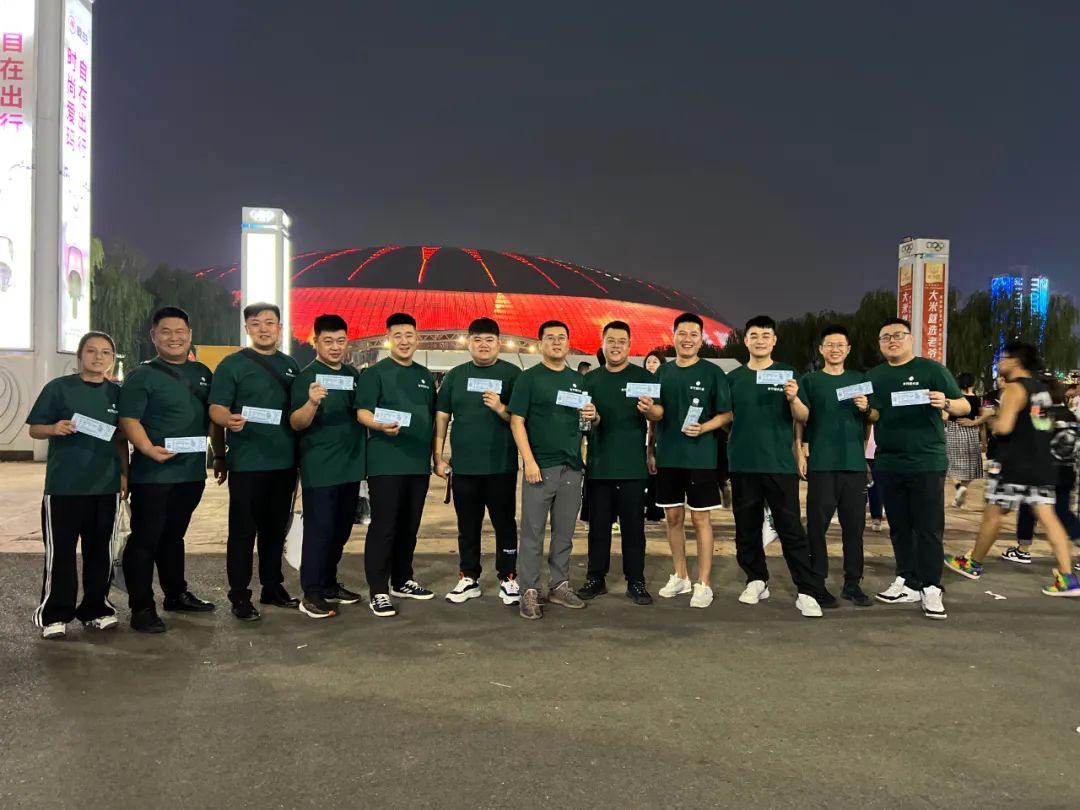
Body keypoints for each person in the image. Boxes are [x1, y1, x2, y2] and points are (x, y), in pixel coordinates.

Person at [118, 306, 226, 633]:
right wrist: (147, 449)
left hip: (191, 474)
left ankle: (176, 594)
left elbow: (213, 418)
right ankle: (141, 607)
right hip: (154, 475)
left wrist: (219, 456)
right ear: (154, 336)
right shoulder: (141, 375)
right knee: (145, 539)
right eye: (165, 332)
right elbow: (128, 419)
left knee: (174, 536)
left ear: (190, 336)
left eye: (180, 332)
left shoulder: (202, 373)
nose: (174, 338)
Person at [944, 344, 1080, 595]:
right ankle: (1067, 577)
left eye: (1004, 358)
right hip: (1040, 464)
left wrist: (989, 417)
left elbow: (1004, 428)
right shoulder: (1041, 390)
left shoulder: (1015, 388)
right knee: (1050, 519)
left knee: (992, 515)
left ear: (1016, 361)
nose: (1000, 363)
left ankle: (973, 563)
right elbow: (1043, 426)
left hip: (1013, 464)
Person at [727, 315, 833, 617]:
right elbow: (725, 417)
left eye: (766, 335)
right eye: (754, 335)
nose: (760, 340)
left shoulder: (787, 374)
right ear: (746, 340)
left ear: (774, 341)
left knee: (791, 529)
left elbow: (803, 416)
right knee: (746, 528)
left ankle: (806, 590)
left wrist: (793, 398)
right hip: (743, 463)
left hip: (779, 464)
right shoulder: (733, 378)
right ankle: (756, 579)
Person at [26, 331, 128, 639]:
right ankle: (54, 614)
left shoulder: (118, 394)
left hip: (105, 488)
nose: (98, 357)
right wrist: (53, 428)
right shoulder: (58, 389)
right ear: (80, 355)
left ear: (112, 358)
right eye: (92, 351)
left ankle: (96, 609)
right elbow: (35, 429)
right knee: (61, 554)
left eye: (106, 352)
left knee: (101, 553)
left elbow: (121, 439)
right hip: (64, 488)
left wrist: (124, 475)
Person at [866, 317, 968, 620]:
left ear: (911, 339)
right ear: (880, 344)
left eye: (898, 335)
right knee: (899, 526)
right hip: (889, 461)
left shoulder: (932, 370)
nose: (892, 341)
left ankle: (931, 586)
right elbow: (874, 414)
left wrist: (946, 402)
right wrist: (864, 409)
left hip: (926, 461)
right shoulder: (874, 375)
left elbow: (964, 406)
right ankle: (907, 580)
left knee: (928, 526)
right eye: (886, 337)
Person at [208, 303, 301, 622]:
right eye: (256, 323)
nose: (264, 329)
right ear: (247, 328)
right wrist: (227, 423)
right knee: (243, 532)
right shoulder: (232, 365)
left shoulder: (290, 366)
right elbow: (216, 409)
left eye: (270, 323)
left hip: (284, 463)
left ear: (280, 328)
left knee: (275, 530)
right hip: (247, 463)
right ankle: (239, 595)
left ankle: (272, 586)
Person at [434, 317, 522, 605]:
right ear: (468, 343)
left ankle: (508, 577)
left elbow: (520, 419)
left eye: (489, 340)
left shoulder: (512, 375)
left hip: (501, 466)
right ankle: (468, 577)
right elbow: (442, 417)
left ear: (499, 343)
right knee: (467, 526)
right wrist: (438, 455)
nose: (483, 345)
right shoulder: (456, 376)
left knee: (504, 524)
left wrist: (500, 407)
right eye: (477, 340)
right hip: (464, 468)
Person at [508, 319, 592, 619]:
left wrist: (593, 416)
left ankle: (559, 585)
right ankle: (529, 590)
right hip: (540, 467)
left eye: (562, 337)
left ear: (568, 343)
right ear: (540, 343)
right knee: (532, 532)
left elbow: (585, 421)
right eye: (551, 338)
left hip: (572, 467)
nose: (557, 342)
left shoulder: (578, 380)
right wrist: (529, 461)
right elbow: (516, 421)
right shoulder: (529, 378)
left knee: (564, 532)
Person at [577, 321, 663, 605]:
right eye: (611, 341)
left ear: (629, 345)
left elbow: (659, 413)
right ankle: (595, 578)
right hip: (599, 466)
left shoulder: (643, 378)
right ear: (602, 344)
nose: (616, 346)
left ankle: (636, 581)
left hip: (632, 467)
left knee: (634, 528)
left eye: (621, 341)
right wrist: (593, 419)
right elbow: (585, 420)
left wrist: (650, 410)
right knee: (598, 528)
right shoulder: (590, 380)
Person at [357, 312, 437, 617]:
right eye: (398, 336)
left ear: (417, 339)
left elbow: (432, 417)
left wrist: (435, 457)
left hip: (418, 464)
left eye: (409, 335)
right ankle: (378, 590)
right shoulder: (375, 373)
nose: (404, 341)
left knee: (409, 526)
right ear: (388, 339)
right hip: (386, 463)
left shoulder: (424, 375)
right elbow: (362, 412)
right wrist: (379, 425)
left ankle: (402, 579)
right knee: (384, 527)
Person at [650, 312, 732, 609]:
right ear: (673, 337)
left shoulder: (713, 373)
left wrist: (704, 427)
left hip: (700, 457)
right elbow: (655, 415)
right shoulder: (662, 372)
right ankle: (681, 575)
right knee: (672, 518)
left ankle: (704, 583)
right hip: (668, 456)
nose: (687, 339)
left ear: (701, 339)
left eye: (693, 334)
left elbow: (726, 414)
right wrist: (650, 449)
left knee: (700, 519)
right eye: (682, 334)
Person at [289, 313, 366, 619]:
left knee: (341, 530)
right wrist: (311, 403)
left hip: (351, 466)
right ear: (316, 342)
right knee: (319, 531)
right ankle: (311, 593)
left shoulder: (352, 375)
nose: (335, 347)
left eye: (340, 341)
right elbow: (296, 423)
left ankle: (329, 584)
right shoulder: (307, 377)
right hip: (320, 468)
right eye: (328, 341)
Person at [794, 325, 872, 606]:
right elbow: (800, 420)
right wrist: (800, 453)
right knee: (817, 527)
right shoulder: (810, 381)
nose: (835, 349)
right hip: (822, 464)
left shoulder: (859, 380)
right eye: (830, 344)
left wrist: (865, 409)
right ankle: (817, 583)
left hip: (853, 466)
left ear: (848, 349)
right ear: (821, 349)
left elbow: (870, 419)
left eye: (840, 345)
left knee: (854, 529)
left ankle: (853, 583)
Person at [945, 372, 984, 507]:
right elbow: (982, 419)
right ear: (973, 384)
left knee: (951, 464)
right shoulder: (977, 400)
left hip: (954, 431)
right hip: (971, 432)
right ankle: (962, 490)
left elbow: (945, 417)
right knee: (971, 466)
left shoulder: (954, 399)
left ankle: (958, 487)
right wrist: (984, 441)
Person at [643, 351, 667, 522]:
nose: (651, 364)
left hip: (656, 436)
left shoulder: (664, 385)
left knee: (655, 476)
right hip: (640, 435)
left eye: (655, 361)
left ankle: (654, 509)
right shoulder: (639, 383)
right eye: (649, 361)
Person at [865, 427, 884, 532]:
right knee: (862, 488)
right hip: (864, 451)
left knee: (876, 488)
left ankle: (877, 516)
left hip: (878, 452)